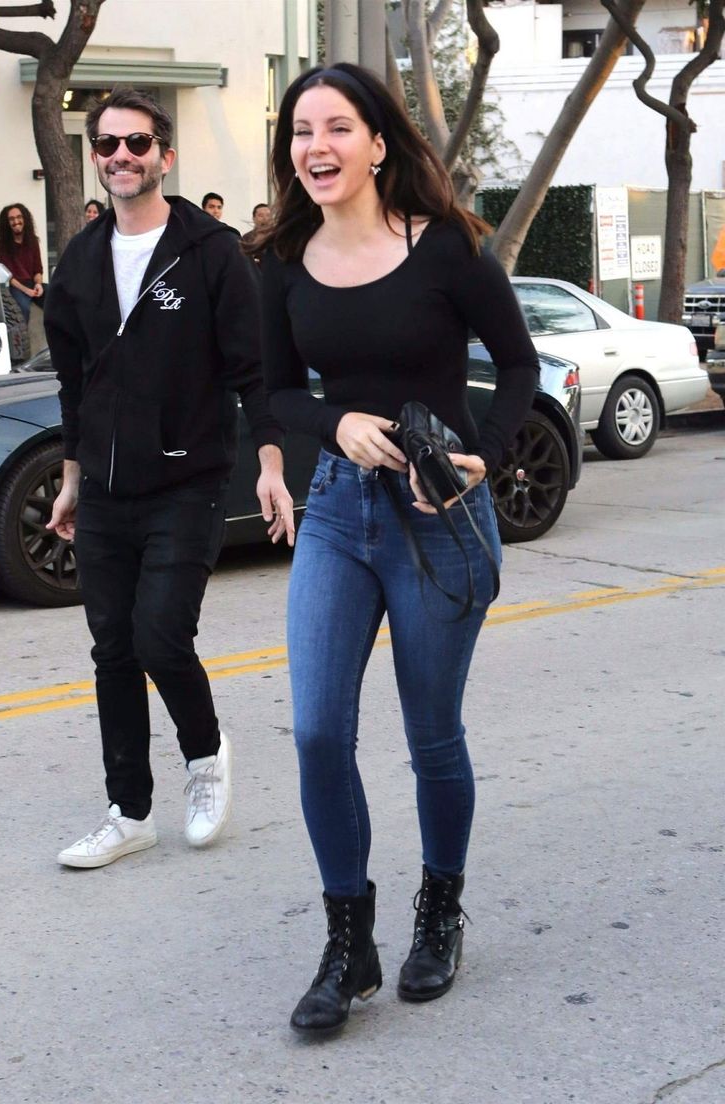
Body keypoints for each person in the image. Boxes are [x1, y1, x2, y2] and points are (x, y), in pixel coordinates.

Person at [257, 62, 540, 1036]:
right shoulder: (283, 259)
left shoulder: (447, 251)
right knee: (318, 732)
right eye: (301, 130)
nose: (317, 147)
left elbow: (516, 364)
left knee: (431, 737)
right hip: (339, 512)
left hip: (437, 516)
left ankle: (438, 913)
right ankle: (350, 941)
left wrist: (482, 460)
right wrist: (332, 427)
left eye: (337, 126)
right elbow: (272, 392)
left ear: (379, 142)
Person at [45, 86, 294, 870]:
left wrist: (271, 467)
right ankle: (129, 813)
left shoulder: (210, 250)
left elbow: (254, 372)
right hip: (108, 490)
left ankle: (206, 752)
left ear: (164, 155)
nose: (122, 156)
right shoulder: (81, 260)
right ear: (96, 157)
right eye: (108, 144)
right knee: (112, 648)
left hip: (189, 479)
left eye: (137, 144)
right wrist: (71, 479)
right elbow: (73, 382)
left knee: (159, 635)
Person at [0, 203, 45, 322]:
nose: (16, 221)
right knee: (23, 308)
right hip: (16, 286)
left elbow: (38, 270)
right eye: (11, 219)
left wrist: (38, 284)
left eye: (19, 217)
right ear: (7, 223)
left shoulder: (33, 240)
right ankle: (22, 339)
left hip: (33, 284)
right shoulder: (1, 244)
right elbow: (9, 277)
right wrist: (27, 291)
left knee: (55, 299)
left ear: (24, 219)